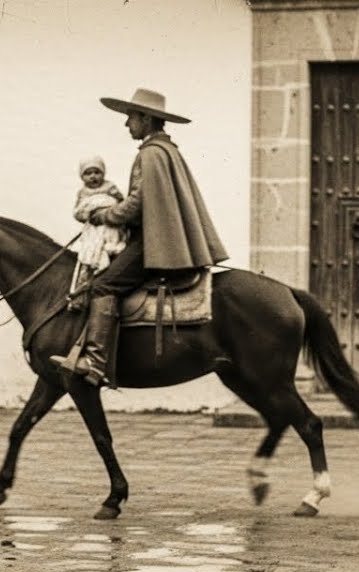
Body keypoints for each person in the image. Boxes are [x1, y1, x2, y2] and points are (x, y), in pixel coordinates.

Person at [50, 88, 229, 387]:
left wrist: (103, 215)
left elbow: (135, 207)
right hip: (163, 242)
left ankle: (94, 360)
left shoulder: (149, 154)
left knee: (103, 285)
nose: (127, 124)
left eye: (131, 117)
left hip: (149, 245)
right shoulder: (167, 151)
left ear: (146, 119)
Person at [69, 155, 127, 298]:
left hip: (109, 226)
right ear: (82, 177)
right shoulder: (82, 193)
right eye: (88, 173)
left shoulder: (110, 187)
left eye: (97, 172)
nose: (93, 176)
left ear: (103, 173)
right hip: (93, 229)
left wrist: (110, 206)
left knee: (111, 249)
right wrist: (88, 214)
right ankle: (83, 288)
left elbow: (121, 203)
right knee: (88, 255)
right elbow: (78, 212)